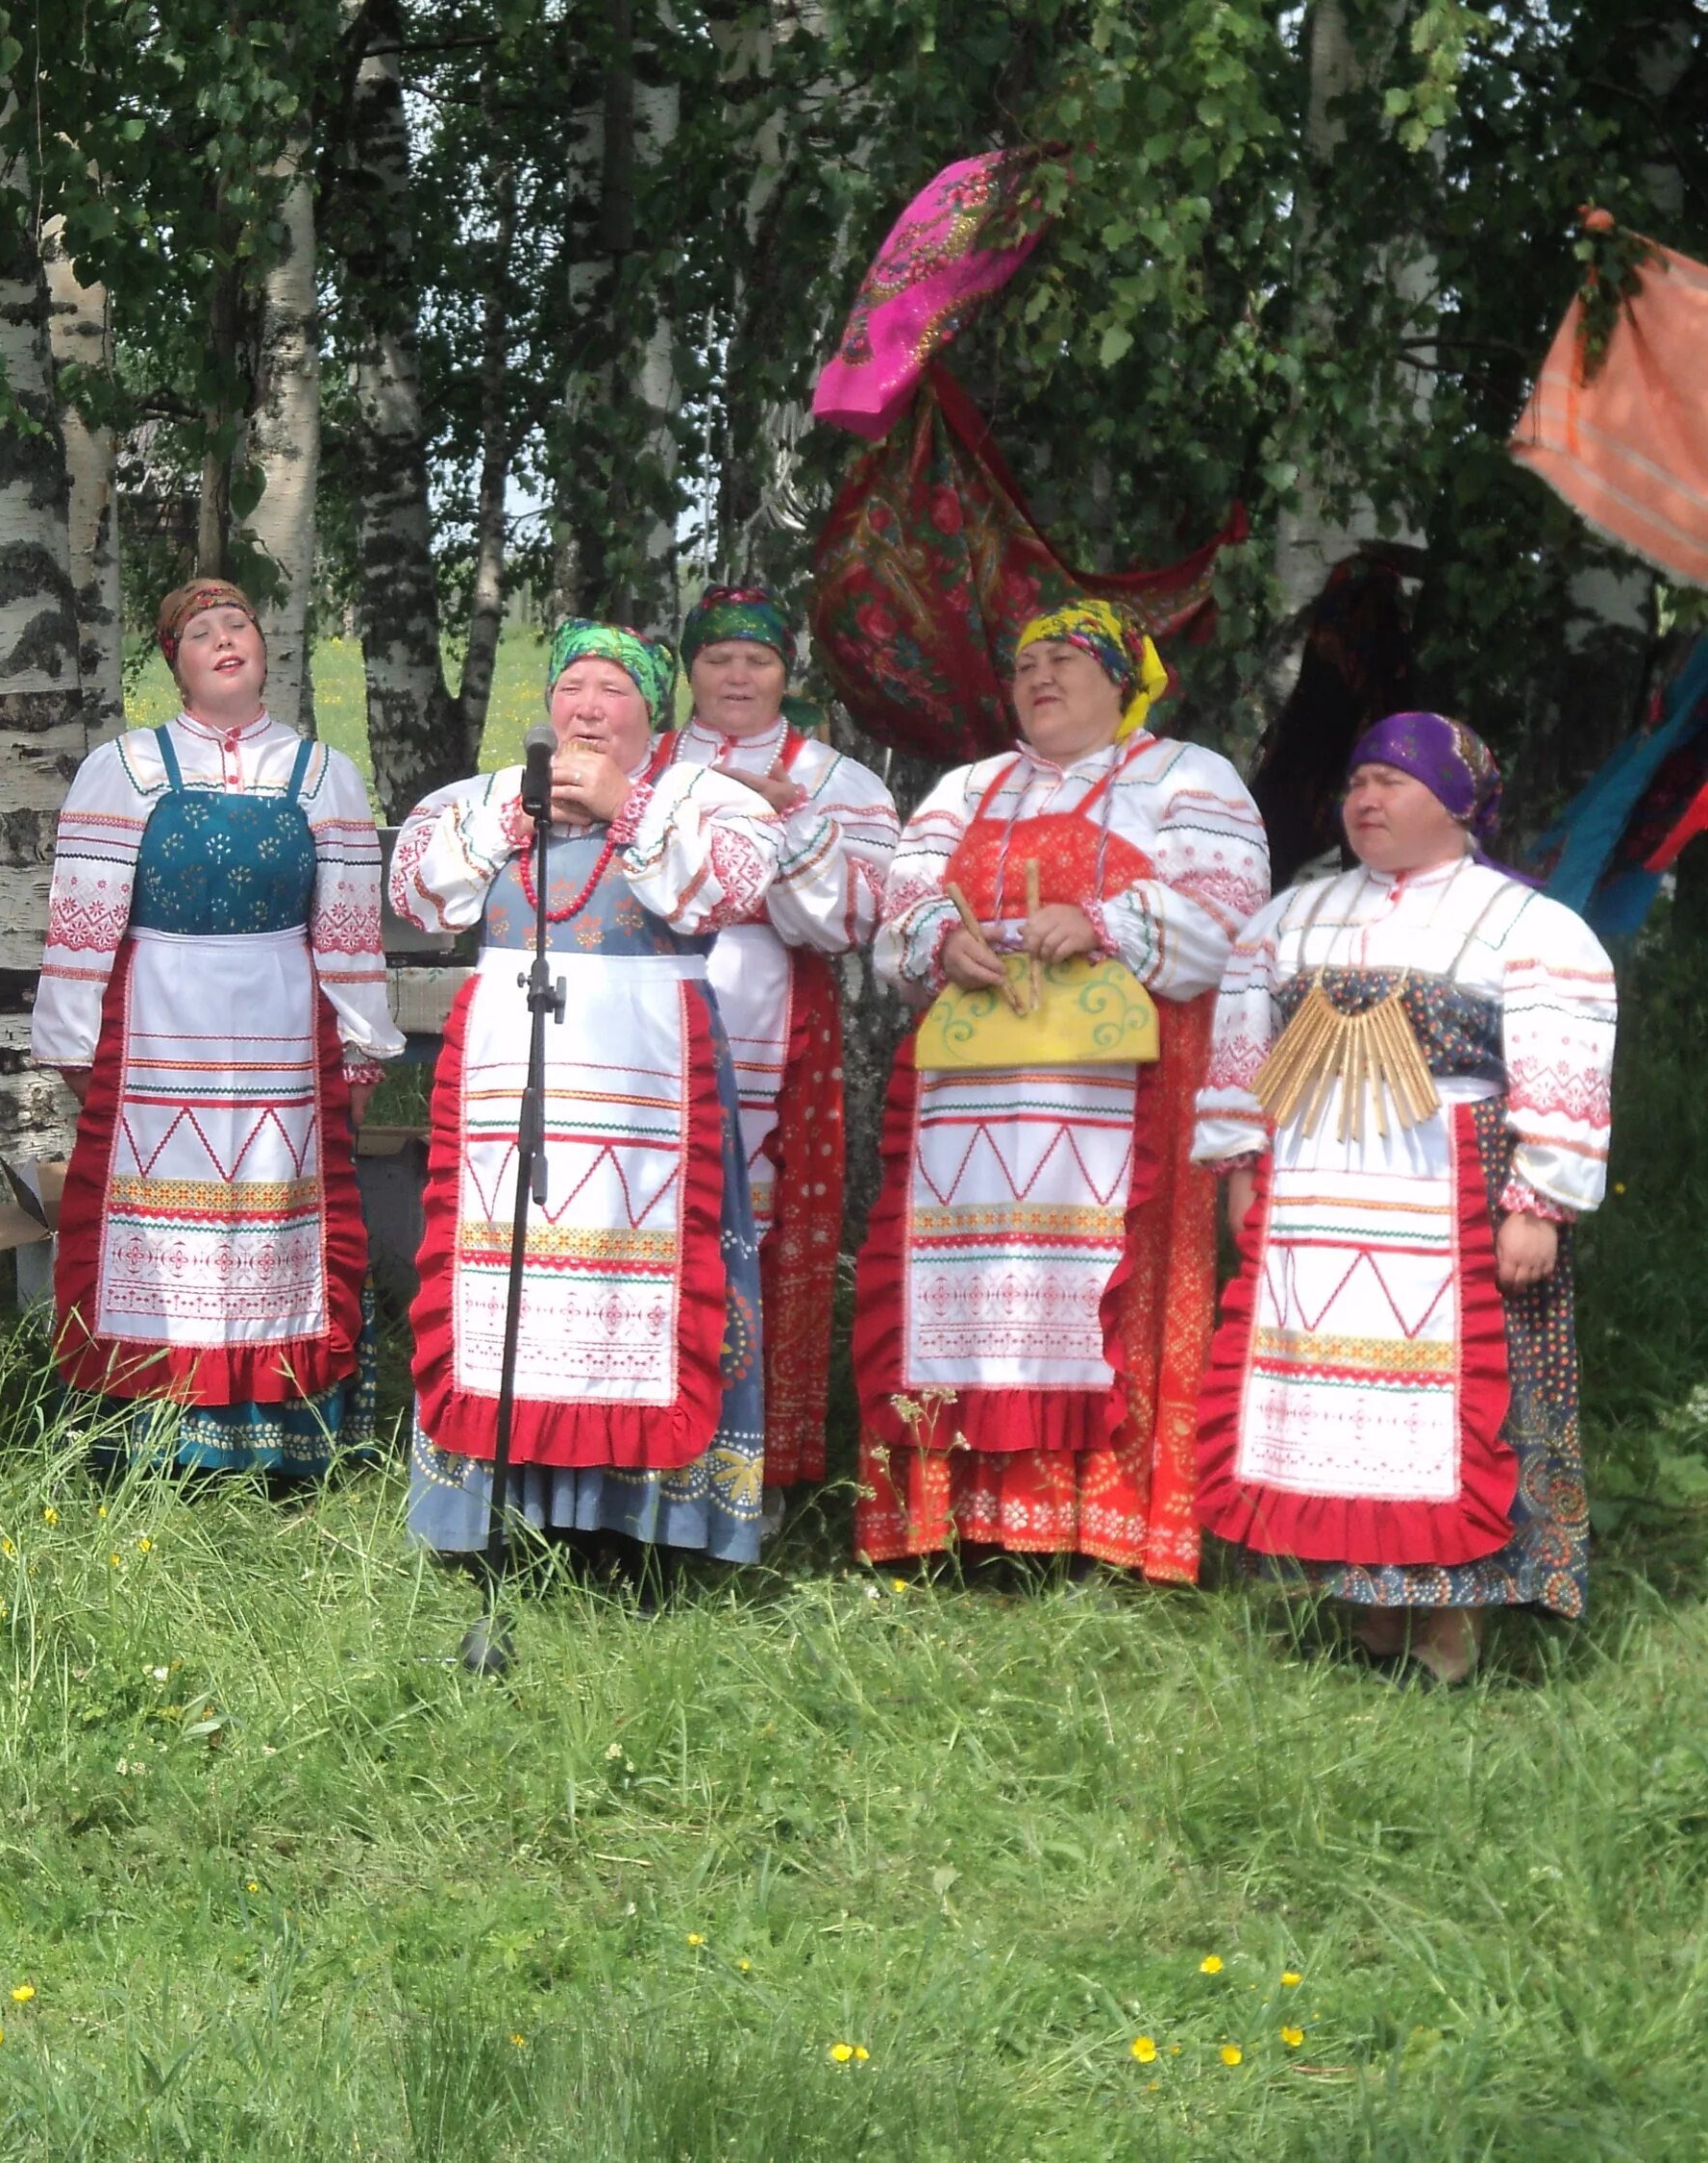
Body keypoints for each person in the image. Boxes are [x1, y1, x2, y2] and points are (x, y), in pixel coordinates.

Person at [854, 600, 1268, 1582]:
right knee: (974, 1300)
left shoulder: (1188, 778)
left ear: (1125, 681)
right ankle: (968, 1524)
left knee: (1093, 1305)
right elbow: (900, 911)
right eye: (1025, 663)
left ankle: (1105, 1530)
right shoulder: (968, 787)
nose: (1039, 677)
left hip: (1121, 1089)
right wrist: (939, 940)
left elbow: (1230, 915)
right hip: (974, 1102)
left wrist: (1107, 922)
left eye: (1065, 663)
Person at [1194, 713, 1614, 1682]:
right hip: (1314, 1207)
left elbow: (1563, 1066)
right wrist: (1241, 1167)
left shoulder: (1526, 925)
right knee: (1324, 1400)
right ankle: (1367, 1616)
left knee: (1454, 1417)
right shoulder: (1291, 919)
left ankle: (1450, 1630)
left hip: (1453, 1199)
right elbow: (1240, 1055)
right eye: (1356, 783)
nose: (1365, 800)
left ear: (1459, 803)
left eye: (1391, 781)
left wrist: (1537, 1202)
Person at [392, 621, 786, 1563]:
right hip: (511, 1082)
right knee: (507, 1285)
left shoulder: (708, 798)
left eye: (615, 691)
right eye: (574, 688)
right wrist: (502, 825)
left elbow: (726, 893)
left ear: (651, 713)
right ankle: (495, 1516)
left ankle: (644, 1526)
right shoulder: (487, 795)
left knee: (638, 1288)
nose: (590, 708)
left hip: (648, 1081)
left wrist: (628, 807)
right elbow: (416, 894)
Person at [32, 579, 402, 1478]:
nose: (225, 639)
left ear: (264, 647)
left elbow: (349, 929)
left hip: (281, 1026)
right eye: (202, 632)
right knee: (155, 1226)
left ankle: (277, 1439)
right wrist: (77, 1043)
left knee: (272, 1215)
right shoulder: (122, 770)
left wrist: (361, 1043)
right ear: (177, 662)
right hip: (159, 1022)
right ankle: (143, 1441)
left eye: (239, 624)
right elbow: (82, 921)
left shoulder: (324, 775)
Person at [673, 584, 899, 1501]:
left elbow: (856, 915)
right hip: (651, 1026)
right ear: (688, 667)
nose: (737, 674)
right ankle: (653, 1449)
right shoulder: (645, 764)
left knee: (758, 1243)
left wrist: (788, 831)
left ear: (786, 671)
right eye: (717, 656)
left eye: (758, 658)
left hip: (779, 1029)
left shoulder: (840, 781)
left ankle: (752, 1468)